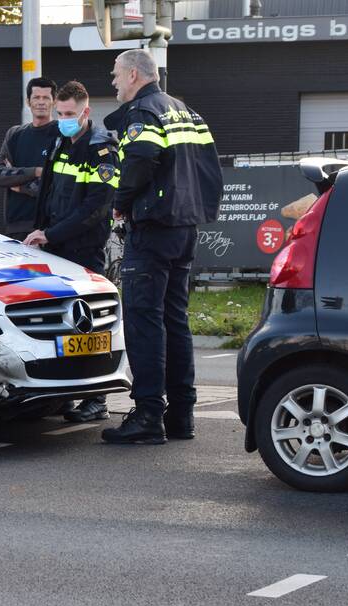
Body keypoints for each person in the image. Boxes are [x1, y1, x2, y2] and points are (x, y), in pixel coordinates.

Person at [100, 49, 224, 445]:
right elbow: (208, 166)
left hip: (153, 228)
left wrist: (120, 204)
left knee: (143, 322)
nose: (114, 82)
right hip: (185, 226)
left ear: (135, 74)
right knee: (175, 321)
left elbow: (139, 160)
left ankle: (149, 414)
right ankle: (181, 416)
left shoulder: (143, 112)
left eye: (117, 75)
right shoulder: (187, 111)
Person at [23, 80, 120, 423]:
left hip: (83, 250)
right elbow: (48, 194)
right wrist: (39, 235)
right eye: (59, 113)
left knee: (89, 325)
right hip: (54, 247)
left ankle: (96, 399)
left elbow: (95, 207)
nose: (63, 119)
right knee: (59, 324)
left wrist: (49, 234)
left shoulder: (102, 148)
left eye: (69, 114)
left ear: (86, 112)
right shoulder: (59, 142)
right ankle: (64, 393)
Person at [0, 77, 60, 241]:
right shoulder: (15, 134)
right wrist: (36, 172)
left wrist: (20, 186)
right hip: (15, 226)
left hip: (48, 228)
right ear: (28, 101)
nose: (41, 102)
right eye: (36, 97)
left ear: (54, 102)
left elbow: (58, 185)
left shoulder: (61, 135)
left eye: (46, 98)